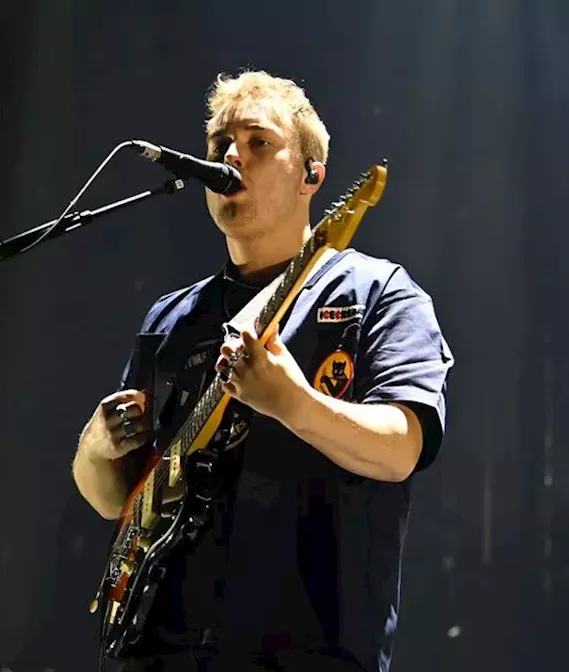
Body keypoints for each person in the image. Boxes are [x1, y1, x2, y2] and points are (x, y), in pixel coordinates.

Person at [72, 70, 453, 671]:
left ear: (312, 176)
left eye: (257, 143)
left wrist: (293, 404)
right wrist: (92, 457)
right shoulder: (171, 317)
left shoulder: (381, 292)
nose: (229, 156)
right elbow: (125, 503)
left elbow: (401, 448)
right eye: (219, 144)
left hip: (303, 649)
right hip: (156, 648)